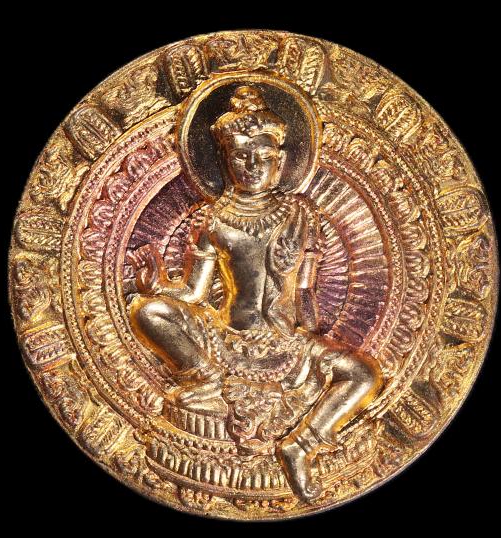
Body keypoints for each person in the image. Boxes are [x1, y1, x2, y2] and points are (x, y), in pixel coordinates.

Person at [129, 85, 383, 501]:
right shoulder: (211, 218)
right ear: (223, 160)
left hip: (286, 342)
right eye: (240, 156)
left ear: (280, 162)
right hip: (224, 339)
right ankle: (209, 380)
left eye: (263, 156)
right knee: (148, 311)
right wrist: (158, 287)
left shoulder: (301, 214)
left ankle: (299, 444)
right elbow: (194, 292)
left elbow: (305, 292)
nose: (251, 166)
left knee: (364, 374)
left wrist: (311, 343)